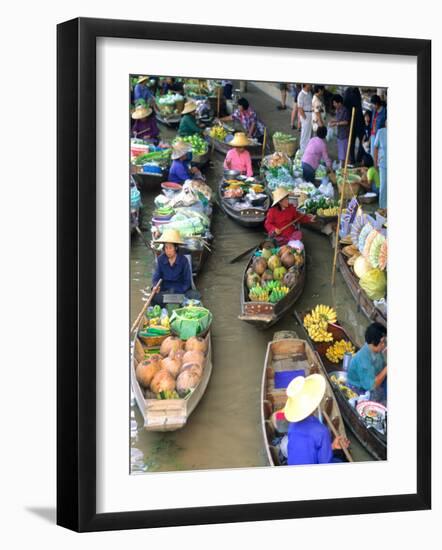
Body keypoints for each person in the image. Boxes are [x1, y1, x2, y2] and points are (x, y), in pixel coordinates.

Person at [280, 374, 350, 465]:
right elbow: (324, 462)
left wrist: (332, 446)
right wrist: (332, 448)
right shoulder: (322, 431)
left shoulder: (292, 425)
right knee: (341, 460)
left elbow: (306, 448)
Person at [151, 229, 199, 306]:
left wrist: (176, 292)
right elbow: (156, 277)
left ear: (175, 248)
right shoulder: (160, 260)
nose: (168, 251)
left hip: (180, 291)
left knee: (195, 296)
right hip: (165, 291)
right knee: (154, 297)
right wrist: (156, 286)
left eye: (170, 248)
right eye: (166, 248)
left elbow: (187, 282)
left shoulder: (183, 260)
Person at [347, 322, 387, 404]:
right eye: (382, 342)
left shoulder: (376, 350)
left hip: (371, 380)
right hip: (359, 389)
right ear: (373, 342)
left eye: (385, 341)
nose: (384, 345)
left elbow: (382, 367)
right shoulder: (363, 360)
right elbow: (371, 386)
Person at [343, 86, 364, 165]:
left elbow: (345, 104)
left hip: (355, 120)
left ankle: (356, 159)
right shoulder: (350, 91)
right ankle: (355, 159)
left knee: (355, 141)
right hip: (354, 120)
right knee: (354, 141)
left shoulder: (350, 91)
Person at [329, 94, 350, 167]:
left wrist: (336, 123)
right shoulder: (337, 110)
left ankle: (343, 166)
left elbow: (346, 122)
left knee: (343, 151)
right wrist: (333, 121)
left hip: (344, 134)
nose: (334, 104)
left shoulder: (345, 110)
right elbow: (338, 119)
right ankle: (341, 165)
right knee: (341, 150)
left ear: (339, 103)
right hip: (339, 133)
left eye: (335, 103)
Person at [373, 120, 387, 210]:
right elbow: (375, 147)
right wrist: (375, 162)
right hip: (383, 164)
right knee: (383, 186)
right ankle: (382, 208)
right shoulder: (381, 132)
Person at [297, 84, 313, 153]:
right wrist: (305, 118)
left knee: (310, 134)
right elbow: (300, 109)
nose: (311, 85)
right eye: (310, 84)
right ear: (306, 85)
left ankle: (308, 149)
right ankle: (303, 150)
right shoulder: (301, 95)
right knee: (305, 134)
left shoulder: (310, 93)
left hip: (311, 114)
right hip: (305, 115)